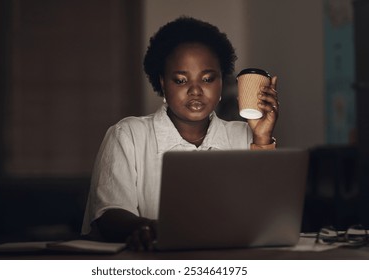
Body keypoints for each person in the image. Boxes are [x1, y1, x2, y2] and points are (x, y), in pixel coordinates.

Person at [81, 16, 279, 250]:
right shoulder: (128, 135)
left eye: (207, 79)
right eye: (181, 80)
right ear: (163, 83)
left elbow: (268, 218)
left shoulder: (244, 136)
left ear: (221, 82)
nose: (195, 90)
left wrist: (263, 138)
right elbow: (108, 214)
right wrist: (156, 229)